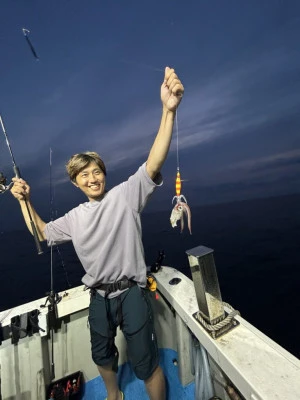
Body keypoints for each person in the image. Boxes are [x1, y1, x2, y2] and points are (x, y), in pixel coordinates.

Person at [10, 66, 184, 400]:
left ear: (104, 174)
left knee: (146, 364)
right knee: (102, 355)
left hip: (132, 293)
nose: (92, 179)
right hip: (97, 298)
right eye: (83, 175)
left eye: (96, 172)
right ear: (75, 183)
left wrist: (167, 111)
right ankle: (113, 395)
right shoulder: (74, 218)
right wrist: (24, 200)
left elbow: (153, 163)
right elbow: (42, 232)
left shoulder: (125, 195)